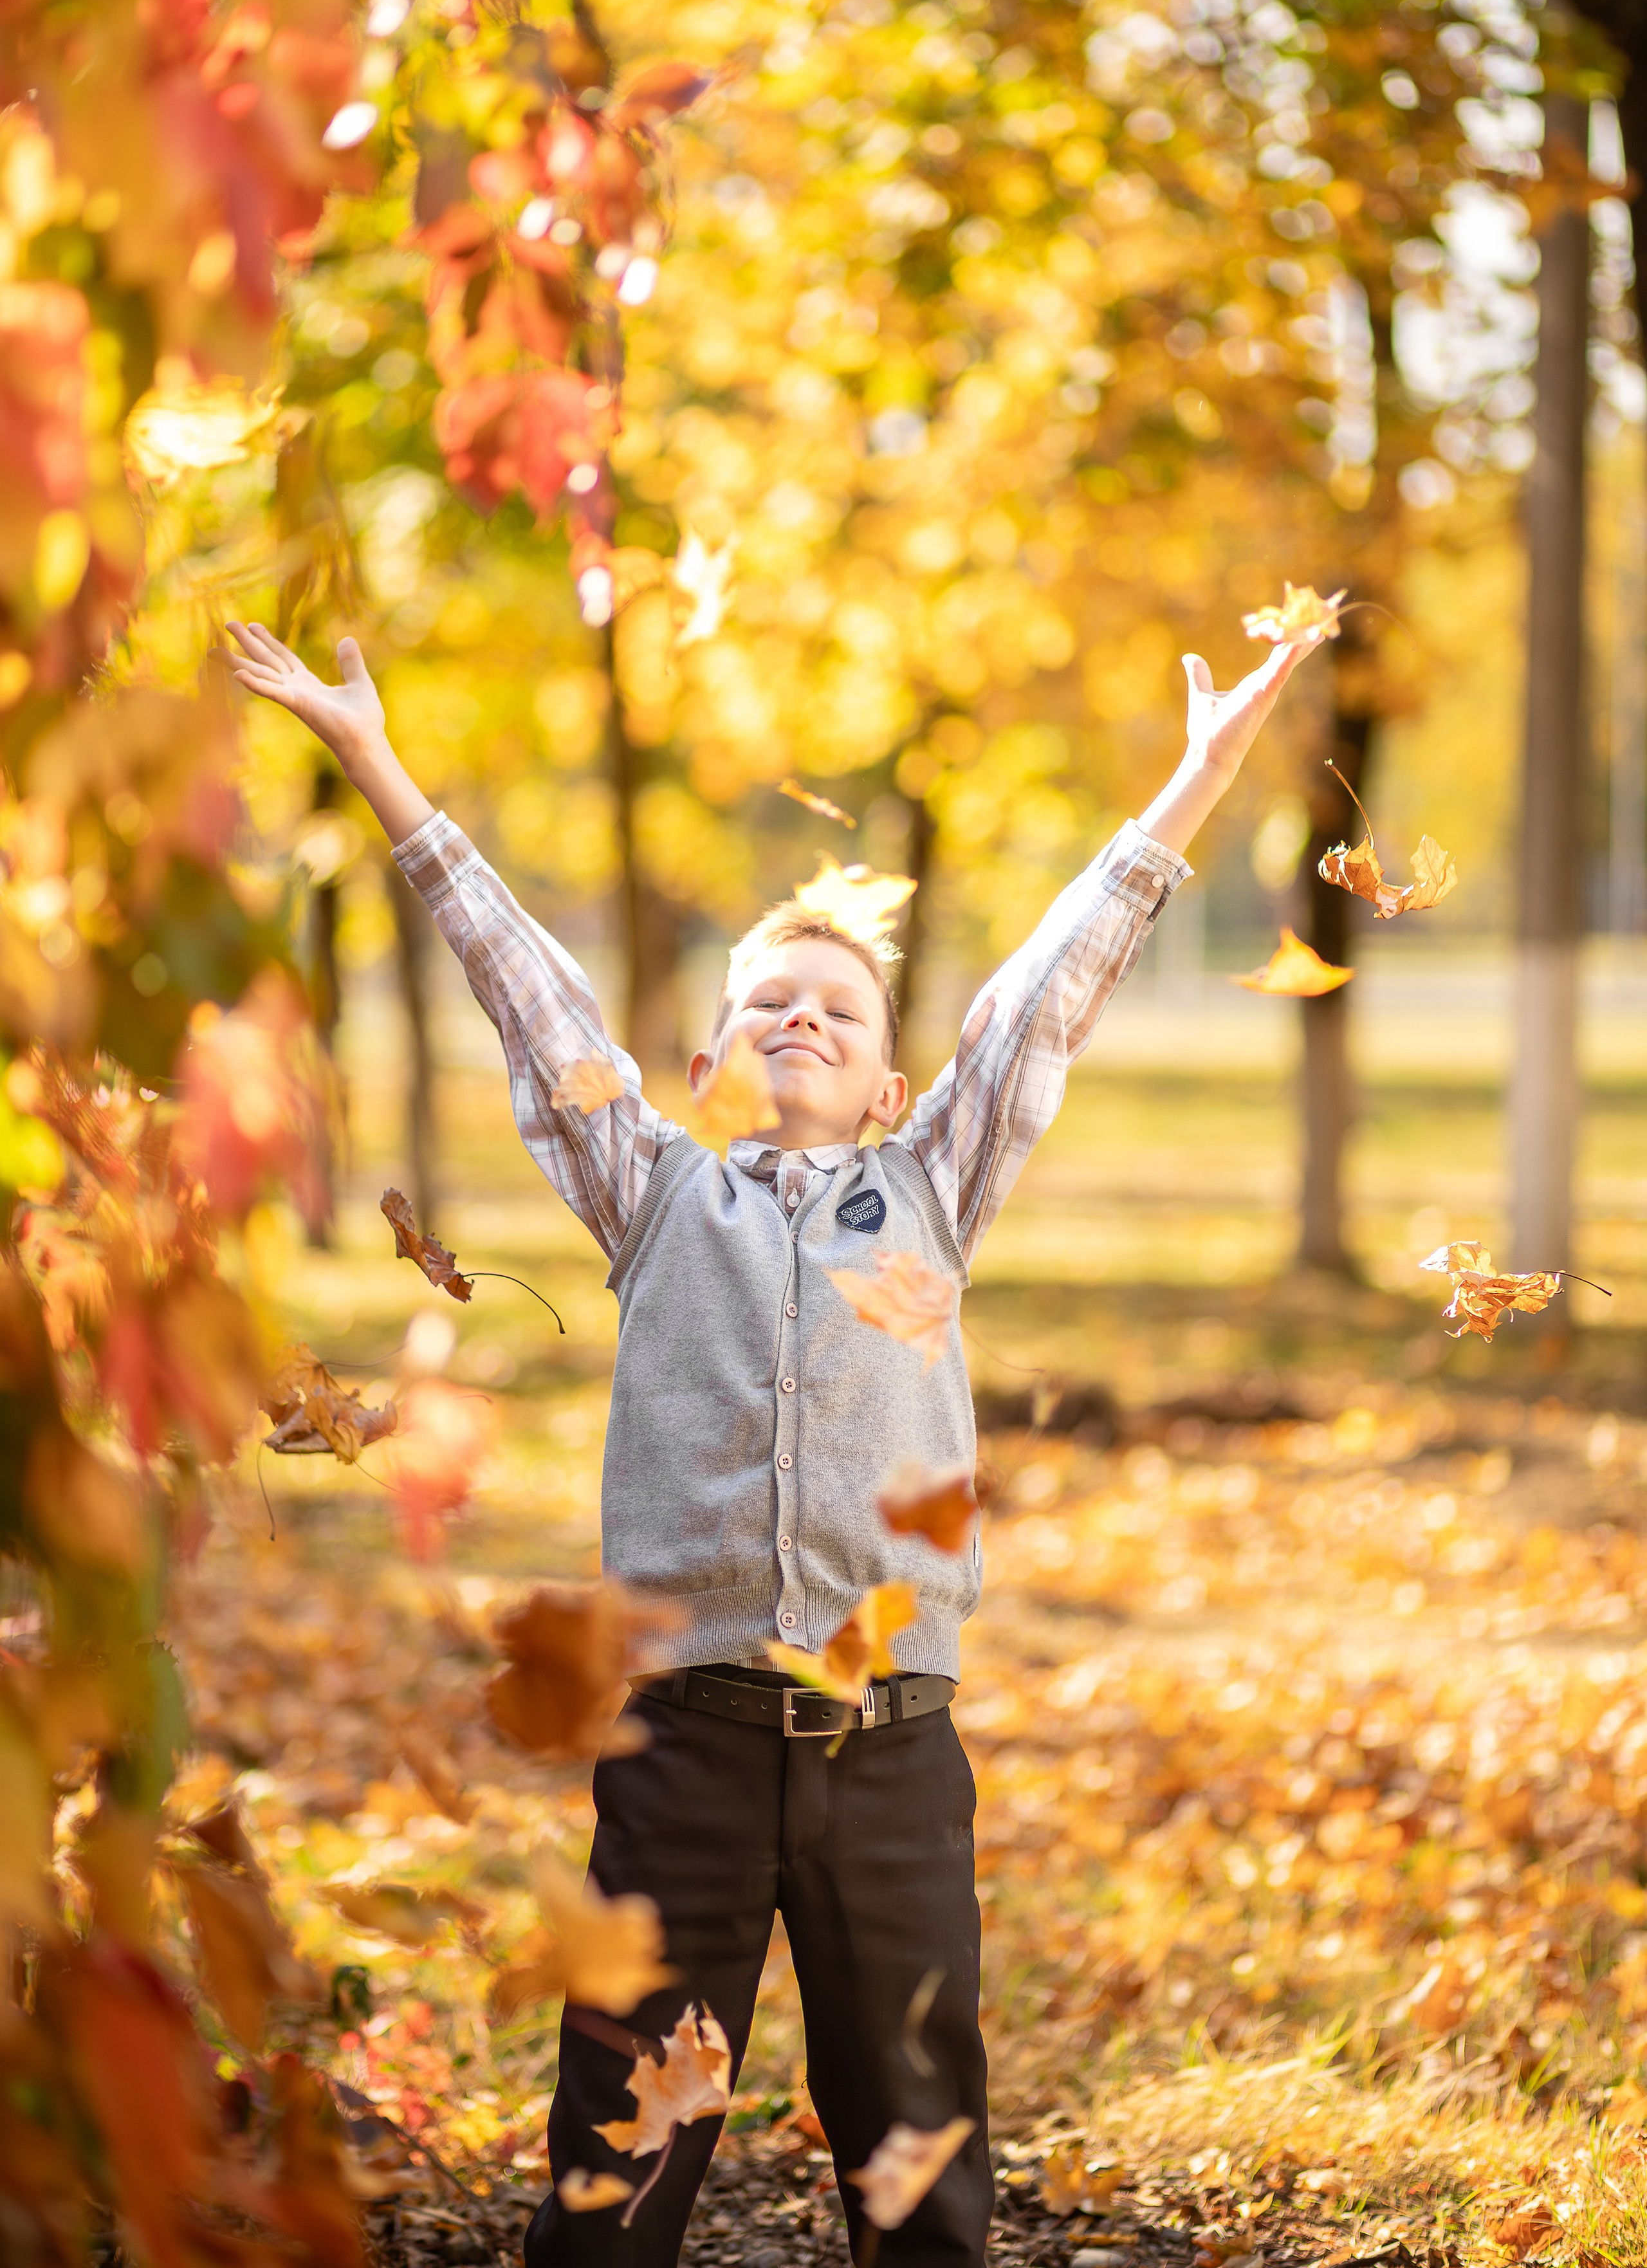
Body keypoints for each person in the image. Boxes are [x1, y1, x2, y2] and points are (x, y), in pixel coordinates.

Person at [227, 613, 1314, 2267]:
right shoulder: (659, 1194)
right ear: (701, 1066)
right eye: (765, 1007)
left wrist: (1198, 772)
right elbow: (524, 993)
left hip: (891, 1749)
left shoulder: (929, 1193)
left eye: (838, 1014)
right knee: (616, 2167)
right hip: (686, 1753)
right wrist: (375, 759)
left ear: (891, 1089)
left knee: (919, 2155)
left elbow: (1045, 997)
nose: (798, 1023)